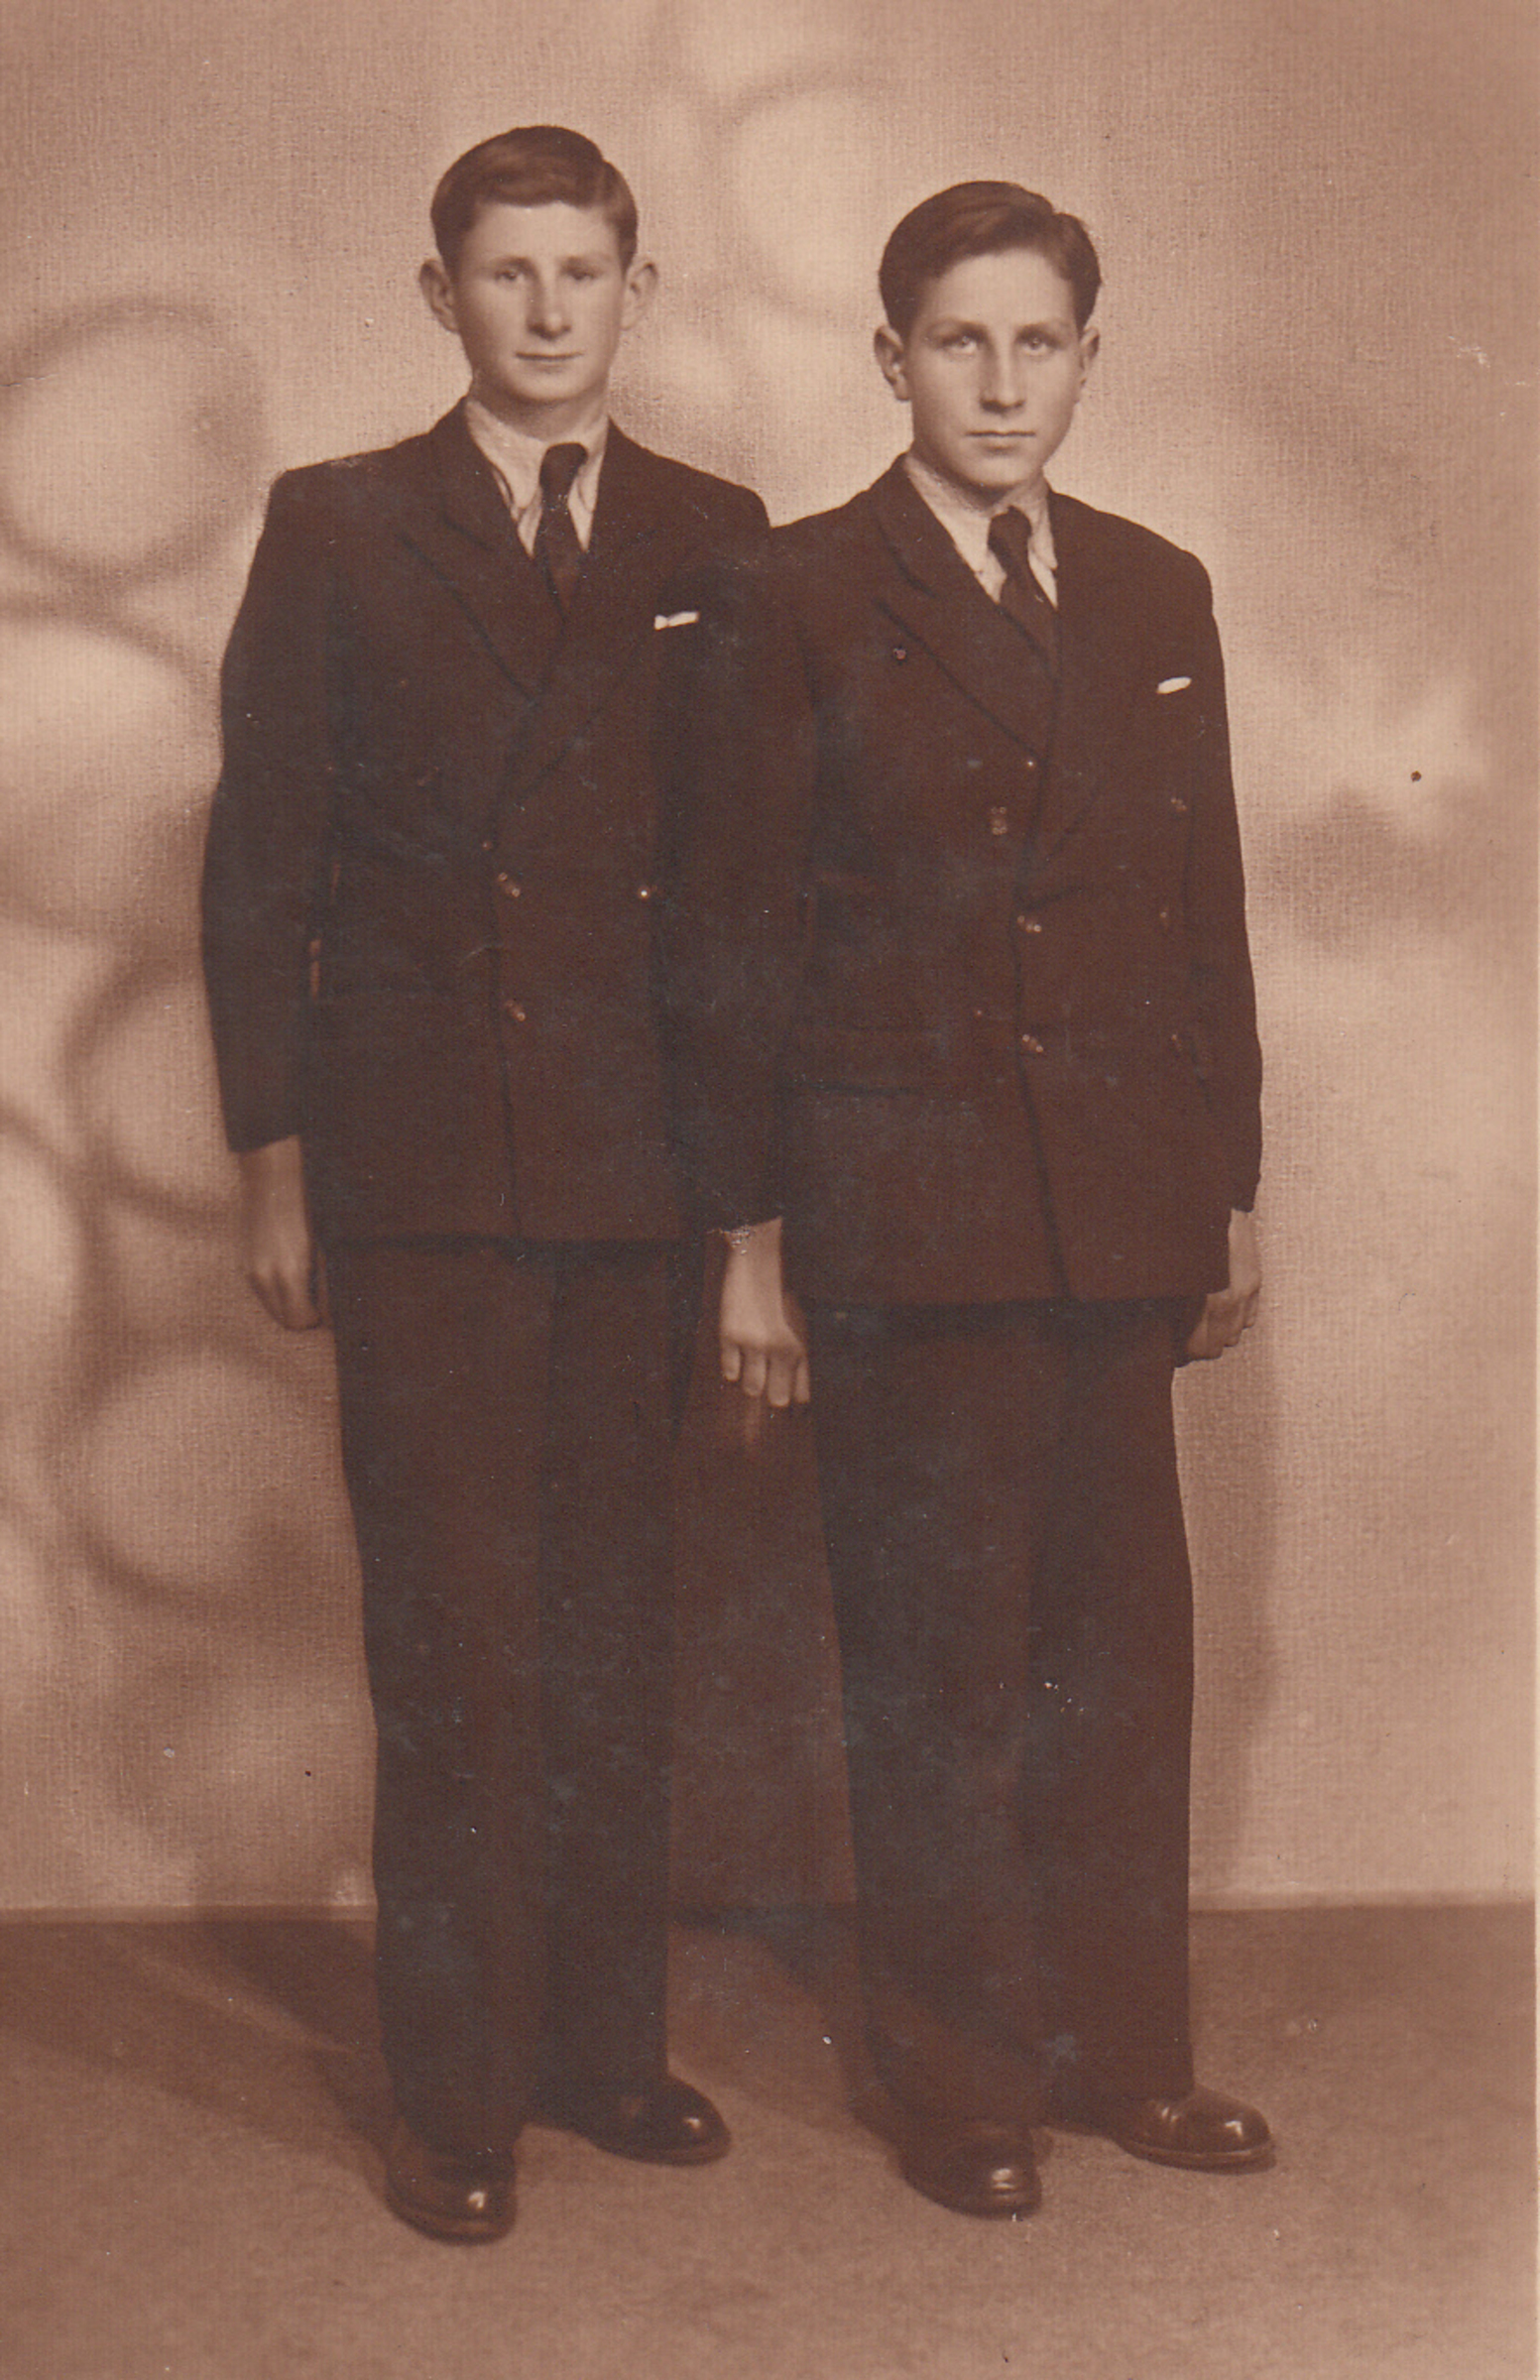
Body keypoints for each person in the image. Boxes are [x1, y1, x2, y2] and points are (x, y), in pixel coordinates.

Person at [665, 181, 1271, 2218]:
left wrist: (1227, 1184)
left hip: (1115, 1204)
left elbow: (1201, 908)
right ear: (890, 359)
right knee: (936, 1665)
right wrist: (751, 1233)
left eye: (1038, 344)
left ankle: (1131, 2059)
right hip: (903, 1207)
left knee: (1120, 1657)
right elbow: (735, 933)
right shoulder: (796, 590)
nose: (1001, 385)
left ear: (1088, 359)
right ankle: (964, 2082)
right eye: (959, 343)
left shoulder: (1156, 587)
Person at [200, 125, 768, 2243]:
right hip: (419, 1172)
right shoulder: (339, 523)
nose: (546, 309)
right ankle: (456, 2096)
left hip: (633, 1174)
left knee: (615, 1628)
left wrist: (746, 1211)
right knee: (455, 1638)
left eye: (581, 271)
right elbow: (260, 862)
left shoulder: (715, 535)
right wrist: (273, 1165)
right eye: (506, 273)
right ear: (439, 296)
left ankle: (599, 2049)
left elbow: (736, 899)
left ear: (640, 289)